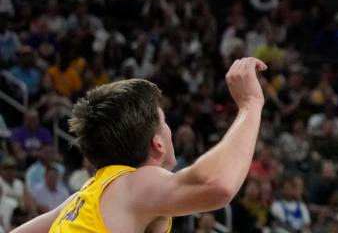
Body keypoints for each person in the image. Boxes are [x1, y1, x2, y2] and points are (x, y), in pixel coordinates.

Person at [12, 57, 267, 233]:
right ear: (157, 144)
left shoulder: (84, 199)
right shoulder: (134, 183)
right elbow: (217, 184)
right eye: (165, 122)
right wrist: (250, 103)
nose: (170, 130)